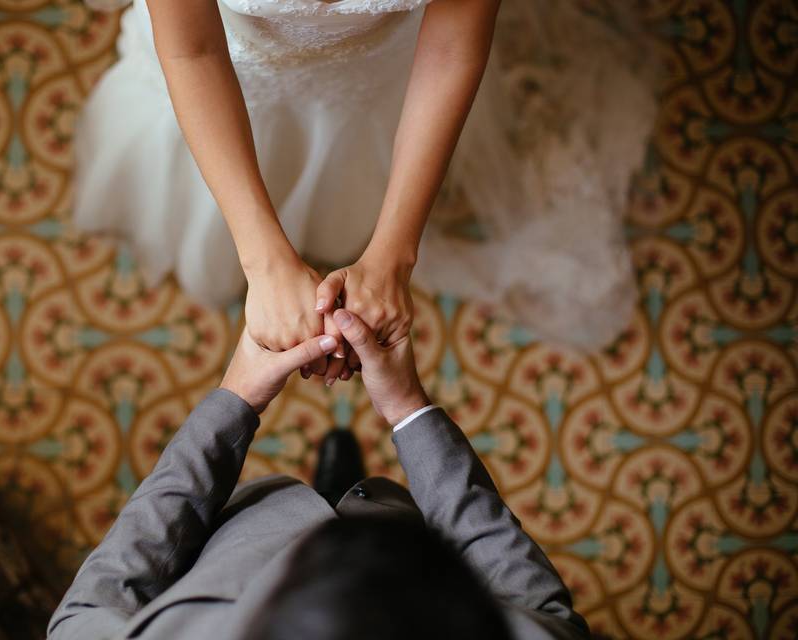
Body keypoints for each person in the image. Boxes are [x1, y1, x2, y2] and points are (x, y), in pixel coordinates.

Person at [74, 0, 657, 364]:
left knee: (354, 168)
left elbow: (453, 49)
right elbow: (194, 51)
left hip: (379, 75)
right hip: (229, 66)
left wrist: (391, 258)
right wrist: (264, 264)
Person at [47, 308, 591, 640]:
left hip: (253, 531)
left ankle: (333, 488)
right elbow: (539, 610)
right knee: (368, 497)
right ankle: (351, 490)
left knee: (326, 494)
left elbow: (92, 608)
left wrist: (238, 395)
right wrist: (406, 407)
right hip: (398, 520)